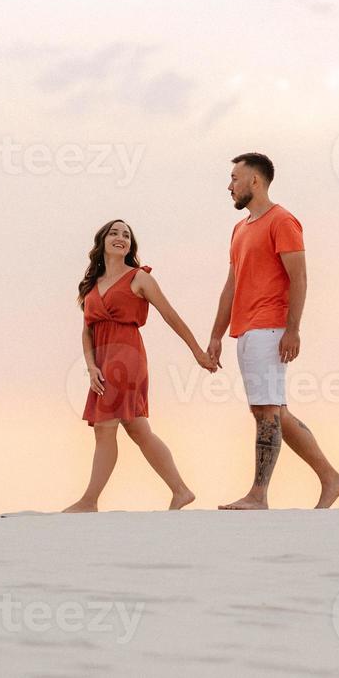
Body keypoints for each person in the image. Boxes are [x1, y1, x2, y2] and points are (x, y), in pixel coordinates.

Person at [208, 153, 339, 510]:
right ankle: (332, 478)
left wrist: (293, 329)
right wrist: (215, 335)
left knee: (267, 410)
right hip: (246, 330)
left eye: (234, 178)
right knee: (273, 411)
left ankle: (258, 495)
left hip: (270, 328)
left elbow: (299, 276)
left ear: (255, 181)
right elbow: (231, 285)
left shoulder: (282, 221)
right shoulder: (240, 229)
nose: (229, 185)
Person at [64, 218, 219, 513]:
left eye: (126, 235)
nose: (120, 238)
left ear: (130, 245)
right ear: (102, 242)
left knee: (104, 428)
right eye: (114, 233)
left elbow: (171, 316)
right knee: (137, 429)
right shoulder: (91, 285)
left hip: (127, 356)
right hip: (102, 359)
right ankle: (181, 490)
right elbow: (86, 330)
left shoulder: (140, 278)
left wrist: (198, 352)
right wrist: (91, 366)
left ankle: (89, 501)